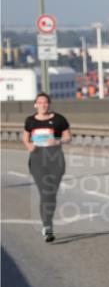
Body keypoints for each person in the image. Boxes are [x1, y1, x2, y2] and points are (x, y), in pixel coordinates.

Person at [22, 92, 72, 243]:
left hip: (55, 159)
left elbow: (68, 136)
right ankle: (47, 226)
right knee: (45, 192)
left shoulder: (59, 119)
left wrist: (57, 141)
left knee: (51, 194)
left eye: (45, 102)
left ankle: (47, 221)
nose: (43, 105)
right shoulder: (30, 121)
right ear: (35, 104)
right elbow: (25, 137)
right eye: (40, 102)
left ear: (49, 104)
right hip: (37, 159)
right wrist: (28, 145)